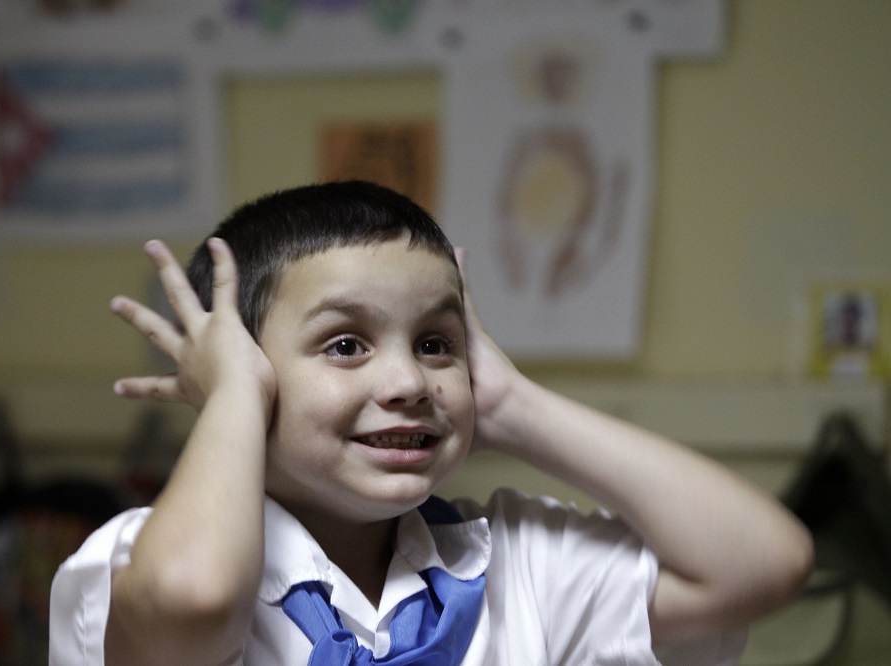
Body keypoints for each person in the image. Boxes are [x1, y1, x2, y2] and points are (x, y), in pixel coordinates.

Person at [49, 181, 813, 665]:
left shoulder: (517, 564)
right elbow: (194, 596)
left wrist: (513, 407)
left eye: (437, 345)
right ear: (241, 371)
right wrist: (234, 399)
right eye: (346, 344)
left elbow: (763, 566)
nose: (410, 381)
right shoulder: (129, 559)